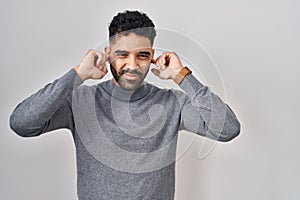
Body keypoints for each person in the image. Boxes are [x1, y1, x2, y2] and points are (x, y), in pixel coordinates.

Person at [9, 10, 240, 200]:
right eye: (122, 54)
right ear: (108, 54)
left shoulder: (173, 103)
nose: (132, 65)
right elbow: (22, 123)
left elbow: (228, 129)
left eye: (142, 55)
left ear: (152, 56)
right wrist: (77, 75)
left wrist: (182, 76)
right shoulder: (79, 101)